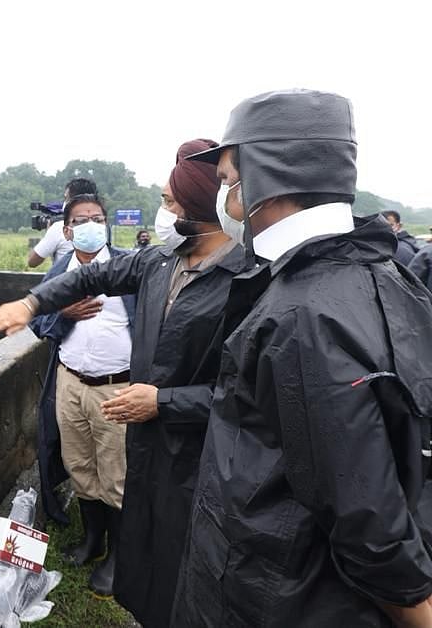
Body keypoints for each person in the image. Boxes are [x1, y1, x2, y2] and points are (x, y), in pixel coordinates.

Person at [172, 89, 432, 628]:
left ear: (262, 179)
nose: (225, 199)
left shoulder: (300, 315)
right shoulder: (385, 273)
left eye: (225, 181)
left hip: (282, 593)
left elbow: (365, 518)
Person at [0, 139, 243, 622]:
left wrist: (164, 401)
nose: (161, 212)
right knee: (83, 467)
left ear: (200, 207)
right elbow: (87, 279)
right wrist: (33, 304)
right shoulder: (161, 262)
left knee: (132, 491)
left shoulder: (245, 278)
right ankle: (96, 540)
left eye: (167, 202)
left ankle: (128, 558)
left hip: (166, 422)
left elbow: (244, 391)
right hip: (100, 392)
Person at [27, 193, 137, 573]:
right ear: (68, 229)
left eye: (97, 217)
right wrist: (64, 313)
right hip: (70, 383)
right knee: (80, 464)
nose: (91, 225)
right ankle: (92, 540)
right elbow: (37, 322)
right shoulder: (59, 270)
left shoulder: (130, 267)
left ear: (106, 223)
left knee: (116, 472)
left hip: (117, 387)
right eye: (81, 219)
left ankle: (119, 558)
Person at [27, 178, 96, 267]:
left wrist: (49, 232)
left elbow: (32, 261)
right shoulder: (102, 227)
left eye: (66, 198)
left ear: (74, 201)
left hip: (68, 280)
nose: (64, 202)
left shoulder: (60, 227)